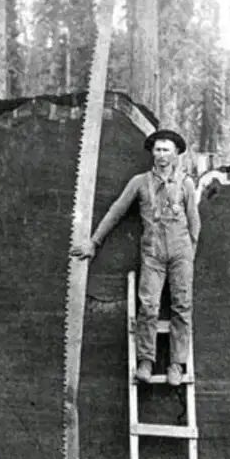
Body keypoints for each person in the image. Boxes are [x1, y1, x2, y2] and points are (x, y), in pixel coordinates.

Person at [71, 129, 200, 387]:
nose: (162, 155)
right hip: (152, 254)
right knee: (148, 306)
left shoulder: (185, 183)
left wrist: (188, 257)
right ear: (152, 153)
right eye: (158, 149)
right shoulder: (139, 183)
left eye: (167, 149)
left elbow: (195, 224)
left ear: (176, 154)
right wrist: (94, 242)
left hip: (180, 253)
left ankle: (176, 364)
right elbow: (116, 212)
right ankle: (145, 361)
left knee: (182, 307)